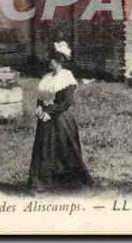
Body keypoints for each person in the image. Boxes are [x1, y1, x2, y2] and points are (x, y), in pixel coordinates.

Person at [28, 41, 92, 192]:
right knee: (45, 151)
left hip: (61, 119)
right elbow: (41, 97)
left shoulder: (66, 77)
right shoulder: (47, 78)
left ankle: (71, 184)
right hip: (45, 120)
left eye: (51, 60)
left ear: (57, 62)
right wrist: (39, 108)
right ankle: (44, 184)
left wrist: (50, 112)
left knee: (65, 150)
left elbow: (67, 102)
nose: (48, 62)